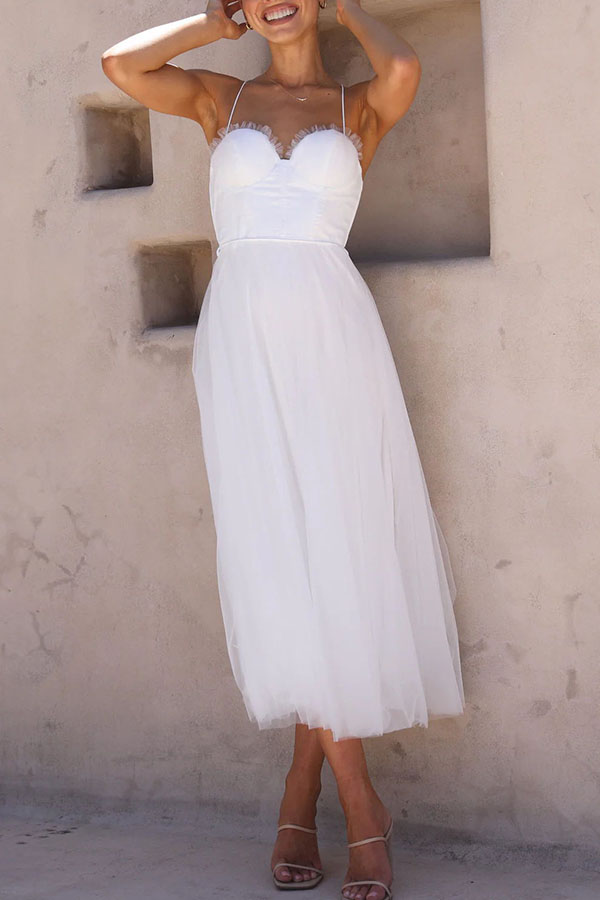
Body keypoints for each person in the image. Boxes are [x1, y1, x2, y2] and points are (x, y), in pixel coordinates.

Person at [102, 2, 465, 897]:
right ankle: (358, 801)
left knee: (334, 555)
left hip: (334, 340)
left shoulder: (357, 107)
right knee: (280, 555)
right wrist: (212, 21)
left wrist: (346, 9)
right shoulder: (219, 98)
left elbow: (403, 68)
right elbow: (122, 67)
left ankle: (307, 788)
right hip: (243, 343)